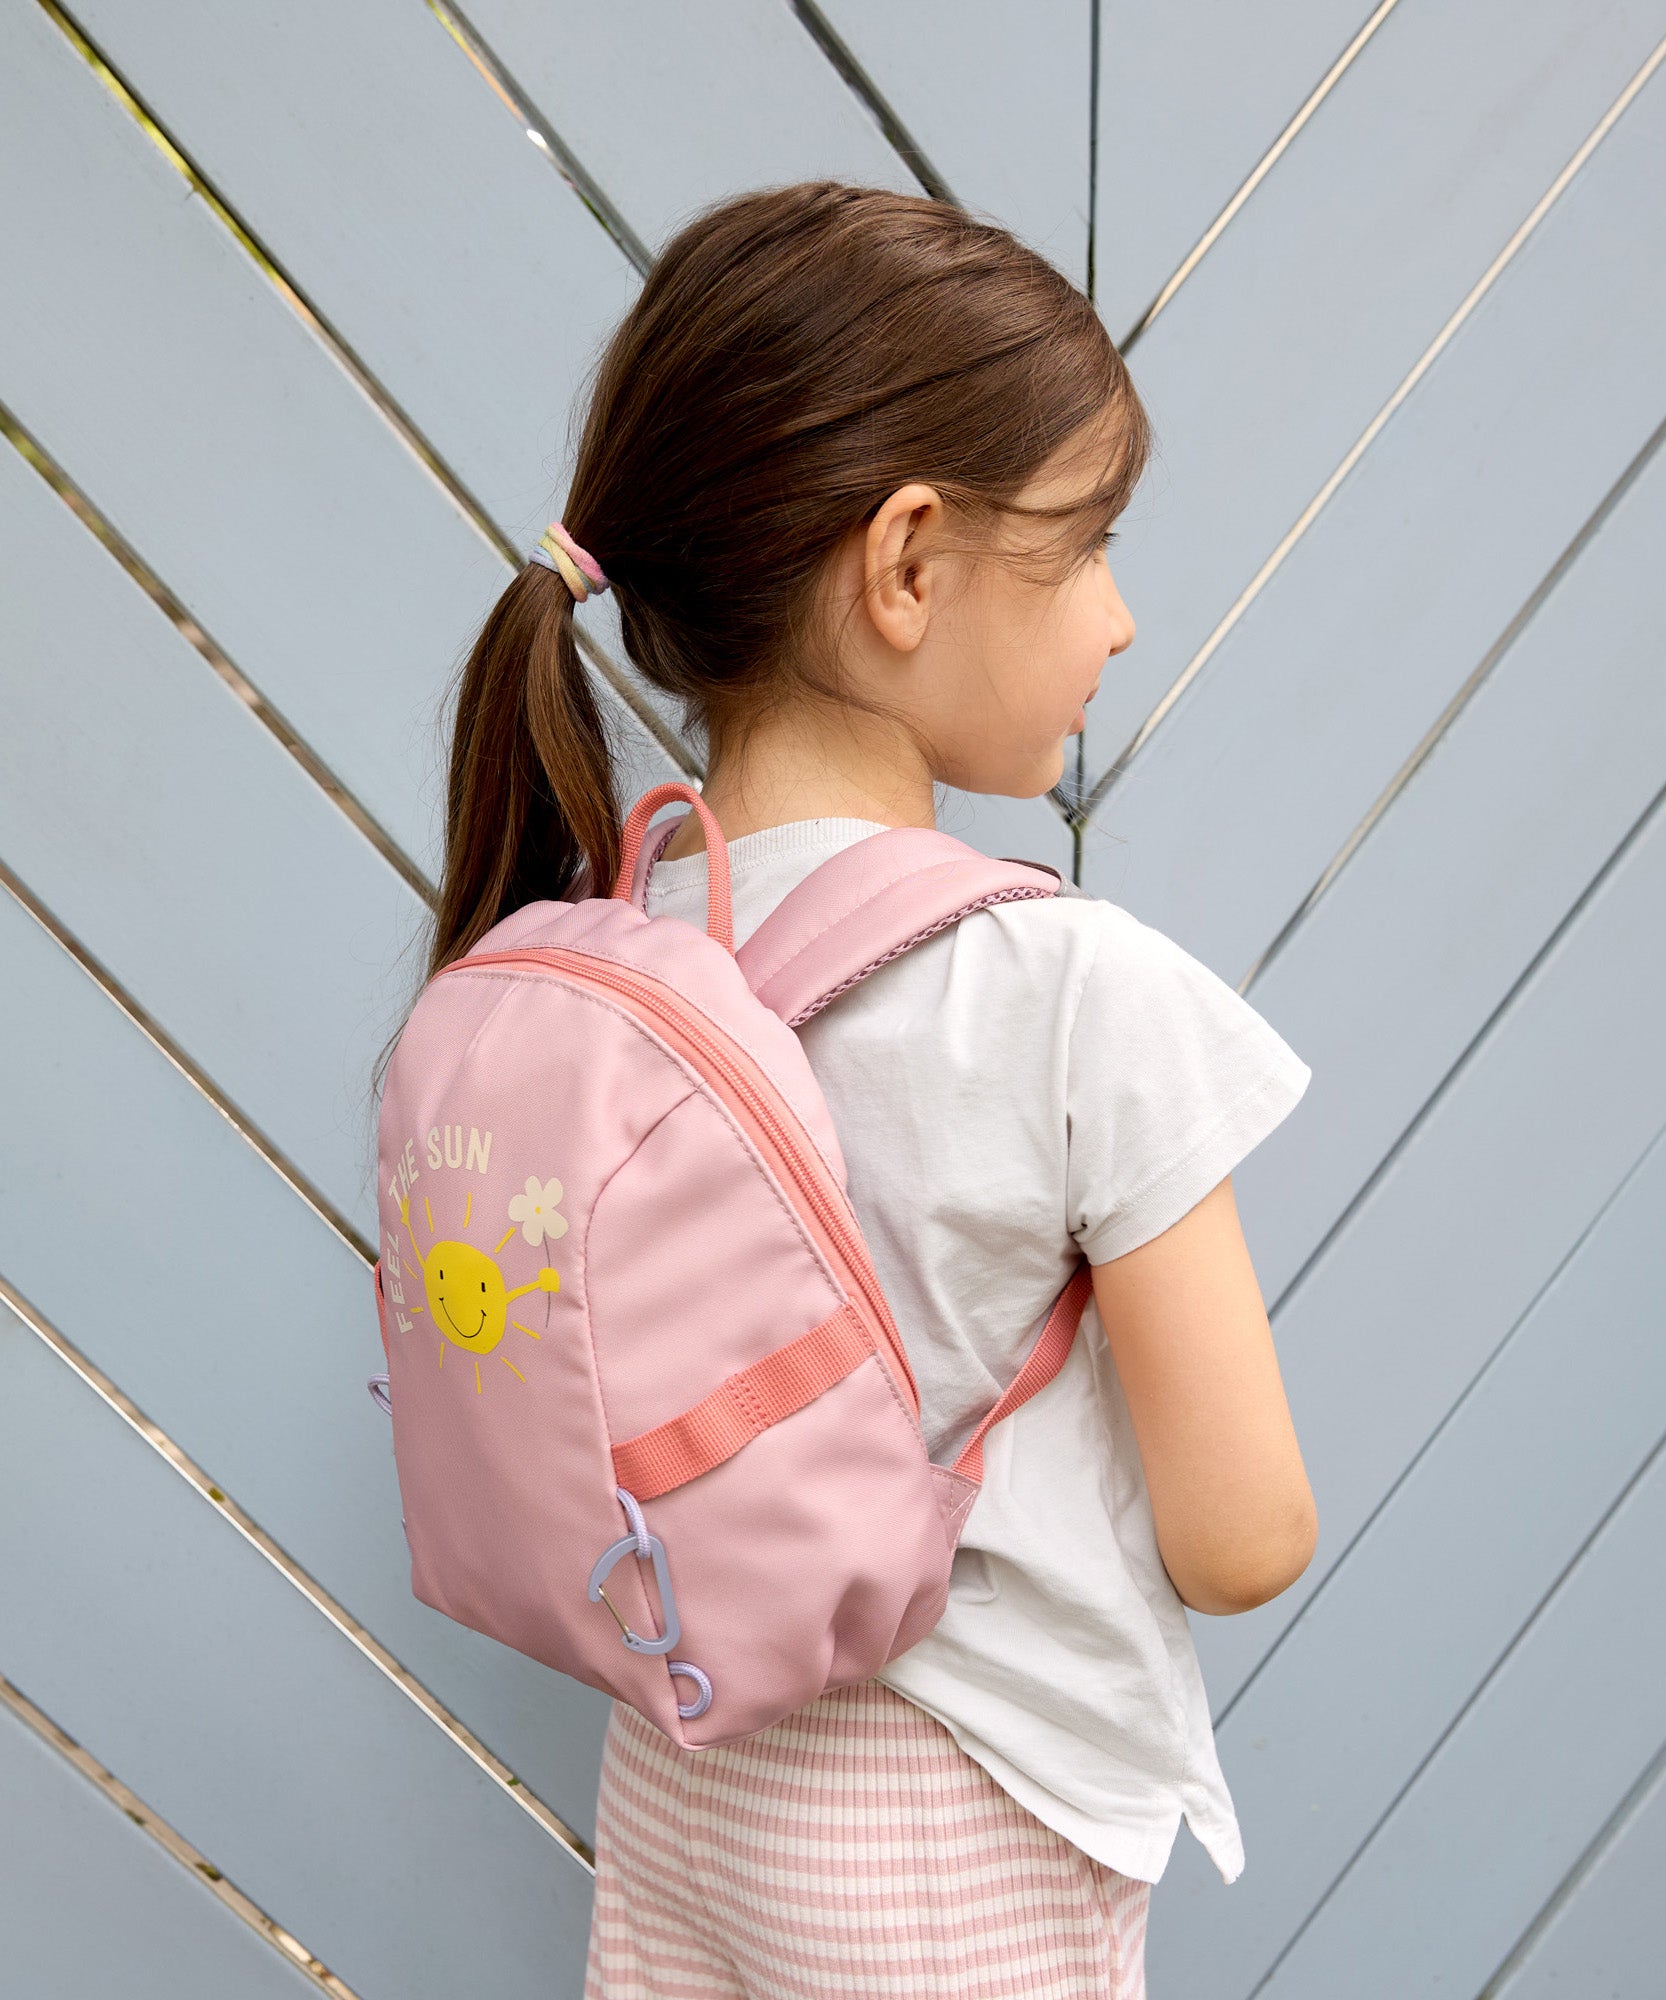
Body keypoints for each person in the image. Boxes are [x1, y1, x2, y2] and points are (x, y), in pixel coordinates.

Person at [430, 182, 1319, 2000]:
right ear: (906, 561)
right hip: (964, 1822)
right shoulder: (1065, 987)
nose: (1120, 617)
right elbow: (1243, 1536)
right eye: (1081, 548)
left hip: (688, 1772)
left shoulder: (609, 940)